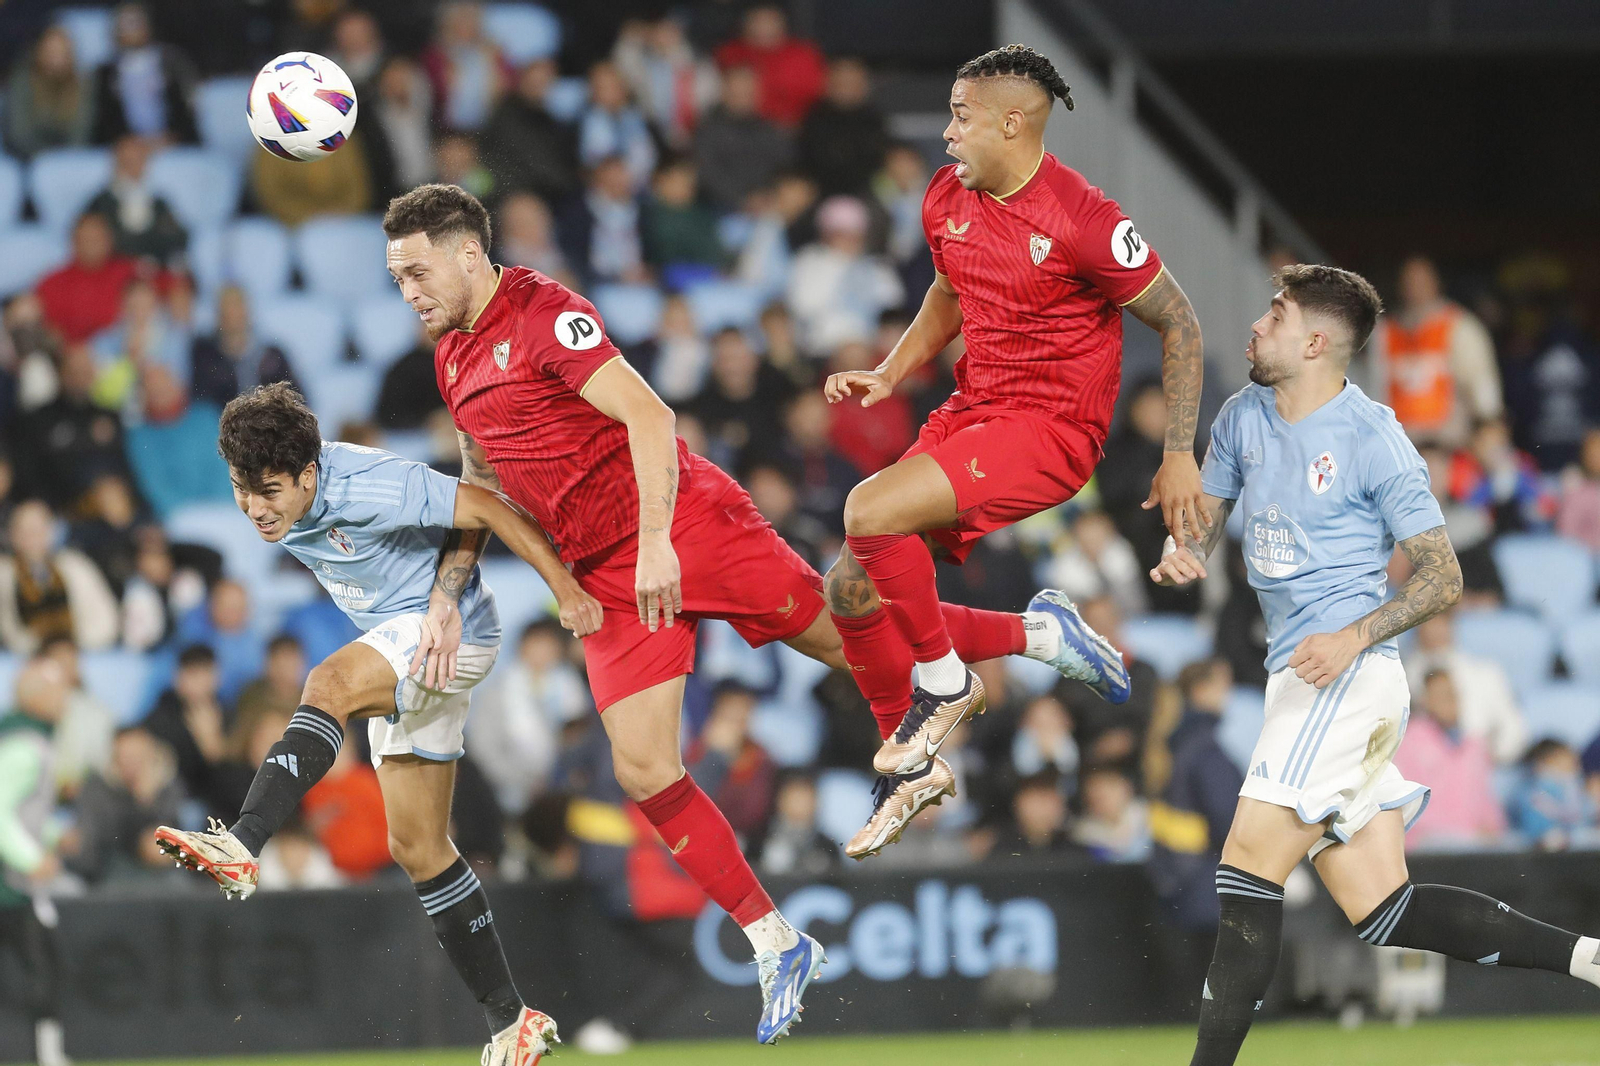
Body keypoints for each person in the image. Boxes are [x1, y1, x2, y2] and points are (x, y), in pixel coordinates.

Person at [1148, 263, 1600, 1066]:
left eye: (1276, 314)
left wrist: (1353, 637)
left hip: (1351, 673)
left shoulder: (1373, 436)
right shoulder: (1243, 416)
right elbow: (1207, 523)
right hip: (1298, 675)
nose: (1256, 324)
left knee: (1247, 862)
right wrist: (1185, 551)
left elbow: (1443, 574)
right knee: (1384, 908)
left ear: (1316, 341)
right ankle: (1587, 958)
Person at [820, 45, 1207, 859]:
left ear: (1010, 122)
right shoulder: (946, 195)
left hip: (1053, 431)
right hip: (974, 410)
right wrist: (893, 372)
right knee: (851, 589)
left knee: (866, 511)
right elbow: (948, 290)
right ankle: (1024, 654)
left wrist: (1179, 454)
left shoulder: (1086, 219)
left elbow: (1181, 322)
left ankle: (946, 685)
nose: (948, 133)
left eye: (962, 116)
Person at [152, 384, 599, 1066]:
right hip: (410, 650)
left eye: (269, 492)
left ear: (307, 476)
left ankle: (242, 842)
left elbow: (483, 504)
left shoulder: (365, 481)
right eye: (243, 491)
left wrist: (565, 592)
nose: (254, 509)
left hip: (451, 632)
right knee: (419, 849)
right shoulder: (279, 489)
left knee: (327, 682)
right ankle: (513, 1020)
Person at [0, 655, 71, 1066]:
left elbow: (22, 812)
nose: (65, 699)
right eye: (58, 690)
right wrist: (31, 859)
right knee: (40, 974)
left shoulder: (28, 739)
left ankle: (48, 1055)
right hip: (10, 885)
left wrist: (52, 835)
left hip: (13, 886)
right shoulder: (26, 745)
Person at [1366, 256, 1501, 450]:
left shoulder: (1459, 326)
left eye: (1421, 281)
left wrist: (1486, 429)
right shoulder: (1384, 332)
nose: (1415, 288)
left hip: (1449, 447)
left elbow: (1483, 393)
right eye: (1409, 282)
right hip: (1400, 448)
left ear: (1436, 282)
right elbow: (1374, 390)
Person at [6, 25, 95, 158]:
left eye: (61, 51)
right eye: (51, 51)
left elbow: (82, 130)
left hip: (70, 159)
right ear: (39, 52)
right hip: (28, 159)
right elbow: (19, 133)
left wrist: (65, 157)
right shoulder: (22, 81)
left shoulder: (82, 84)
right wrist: (44, 157)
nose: (56, 57)